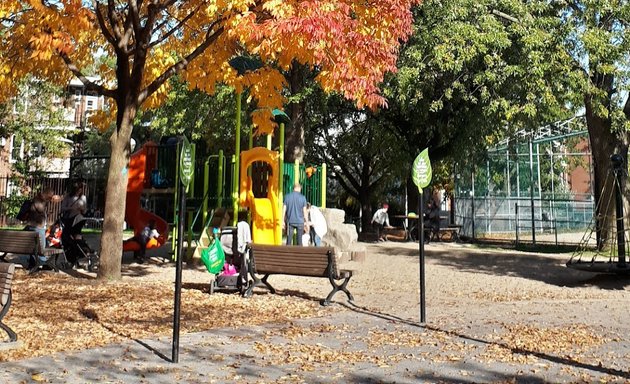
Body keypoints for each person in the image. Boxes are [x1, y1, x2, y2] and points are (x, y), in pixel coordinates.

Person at [25, 187, 61, 268]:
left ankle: (34, 263)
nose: (51, 198)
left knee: (36, 247)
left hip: (35, 226)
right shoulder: (38, 199)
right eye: (50, 196)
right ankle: (44, 264)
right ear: (47, 194)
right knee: (41, 248)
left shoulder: (38, 199)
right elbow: (40, 209)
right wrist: (48, 201)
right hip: (37, 227)